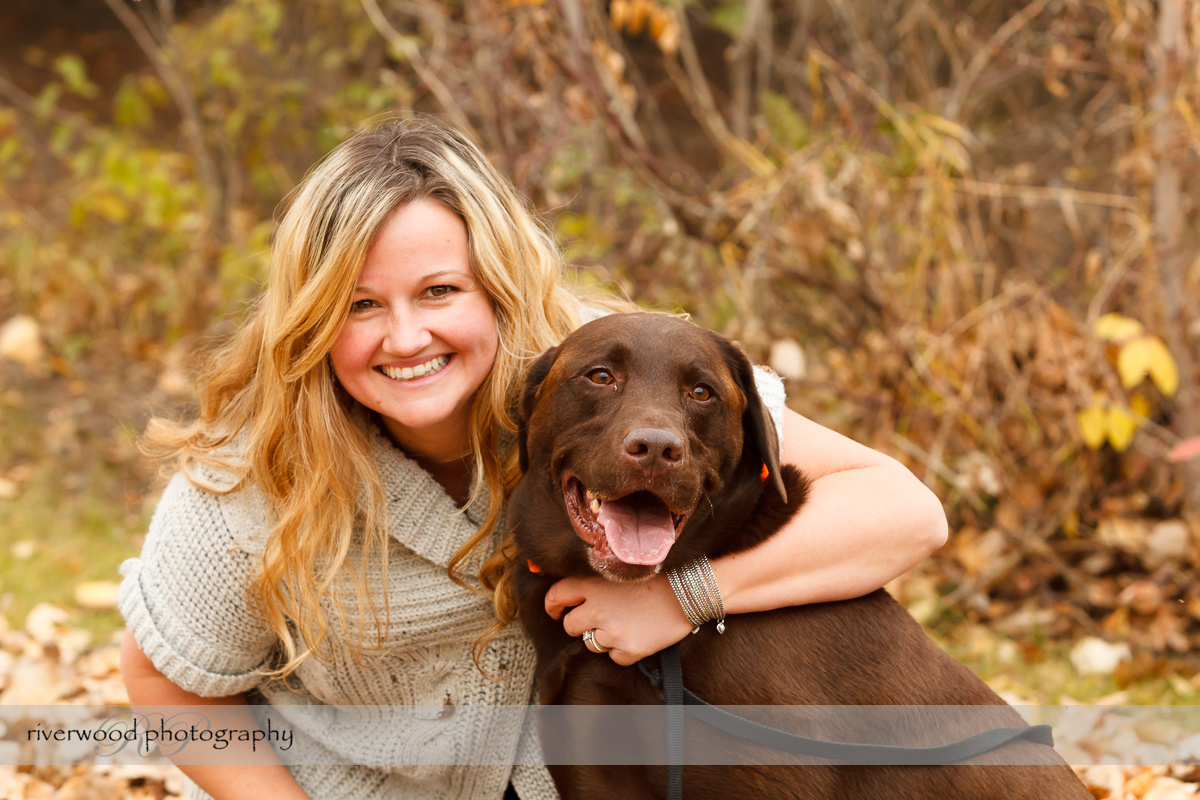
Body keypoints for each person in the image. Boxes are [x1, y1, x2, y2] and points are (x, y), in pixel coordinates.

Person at [118, 116, 948, 800]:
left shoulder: (604, 373)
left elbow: (902, 511)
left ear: (498, 286)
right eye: (360, 306)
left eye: (440, 291)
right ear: (308, 320)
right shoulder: (254, 472)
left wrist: (683, 597)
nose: (406, 338)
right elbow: (169, 683)